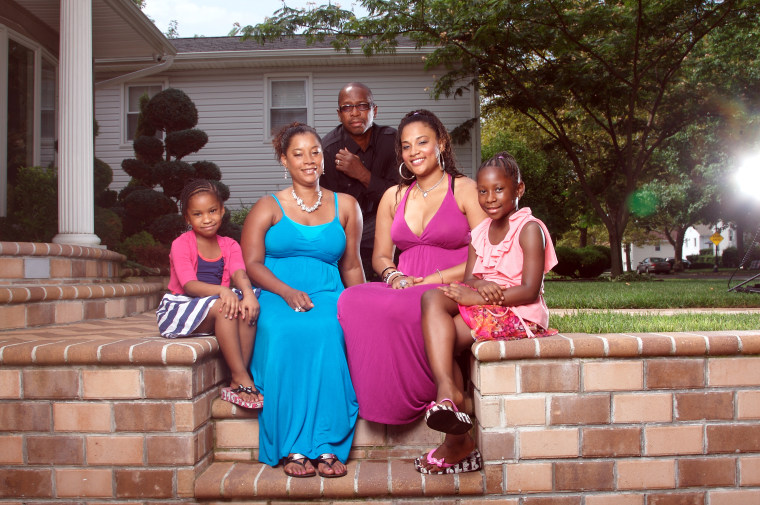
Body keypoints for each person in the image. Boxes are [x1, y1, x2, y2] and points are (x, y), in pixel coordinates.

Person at [338, 109, 487, 426]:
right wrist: (393, 275)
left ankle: (431, 394)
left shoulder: (464, 189)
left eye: (422, 142)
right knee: (351, 300)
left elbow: (486, 255)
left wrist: (430, 280)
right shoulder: (394, 195)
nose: (414, 152)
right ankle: (367, 396)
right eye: (406, 146)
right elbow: (380, 256)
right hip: (404, 284)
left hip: (451, 285)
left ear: (441, 144)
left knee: (407, 308)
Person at [415, 152, 558, 474]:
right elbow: (469, 278)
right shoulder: (479, 234)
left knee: (445, 336)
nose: (489, 198)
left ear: (518, 189)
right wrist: (478, 285)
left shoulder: (529, 228)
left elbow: (530, 290)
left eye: (499, 190)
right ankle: (449, 395)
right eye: (482, 191)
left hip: (520, 313)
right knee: (430, 300)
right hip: (486, 305)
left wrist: (483, 296)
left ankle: (455, 435)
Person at [241, 123, 364, 478]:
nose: (309, 160)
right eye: (299, 153)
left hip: (327, 293)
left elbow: (352, 265)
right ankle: (293, 444)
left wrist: (361, 305)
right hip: (279, 293)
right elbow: (252, 264)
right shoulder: (269, 206)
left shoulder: (347, 206)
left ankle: (326, 444)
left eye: (315, 152)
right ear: (284, 159)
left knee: (327, 330)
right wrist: (285, 291)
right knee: (284, 333)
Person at [156, 179, 263, 409]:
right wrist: (223, 291)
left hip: (214, 303)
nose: (207, 219)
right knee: (224, 305)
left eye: (213, 211)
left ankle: (237, 377)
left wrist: (249, 295)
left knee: (246, 304)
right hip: (181, 307)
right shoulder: (181, 244)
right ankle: (241, 377)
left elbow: (239, 273)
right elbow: (189, 285)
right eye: (198, 214)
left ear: (222, 210)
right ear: (187, 218)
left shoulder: (230, 245)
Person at [320, 82, 399, 279]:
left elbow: (400, 198)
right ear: (339, 114)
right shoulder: (329, 150)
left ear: (375, 110)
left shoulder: (392, 141)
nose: (355, 113)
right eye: (347, 107)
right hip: (347, 232)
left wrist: (362, 173)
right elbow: (325, 208)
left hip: (388, 224)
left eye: (362, 106)